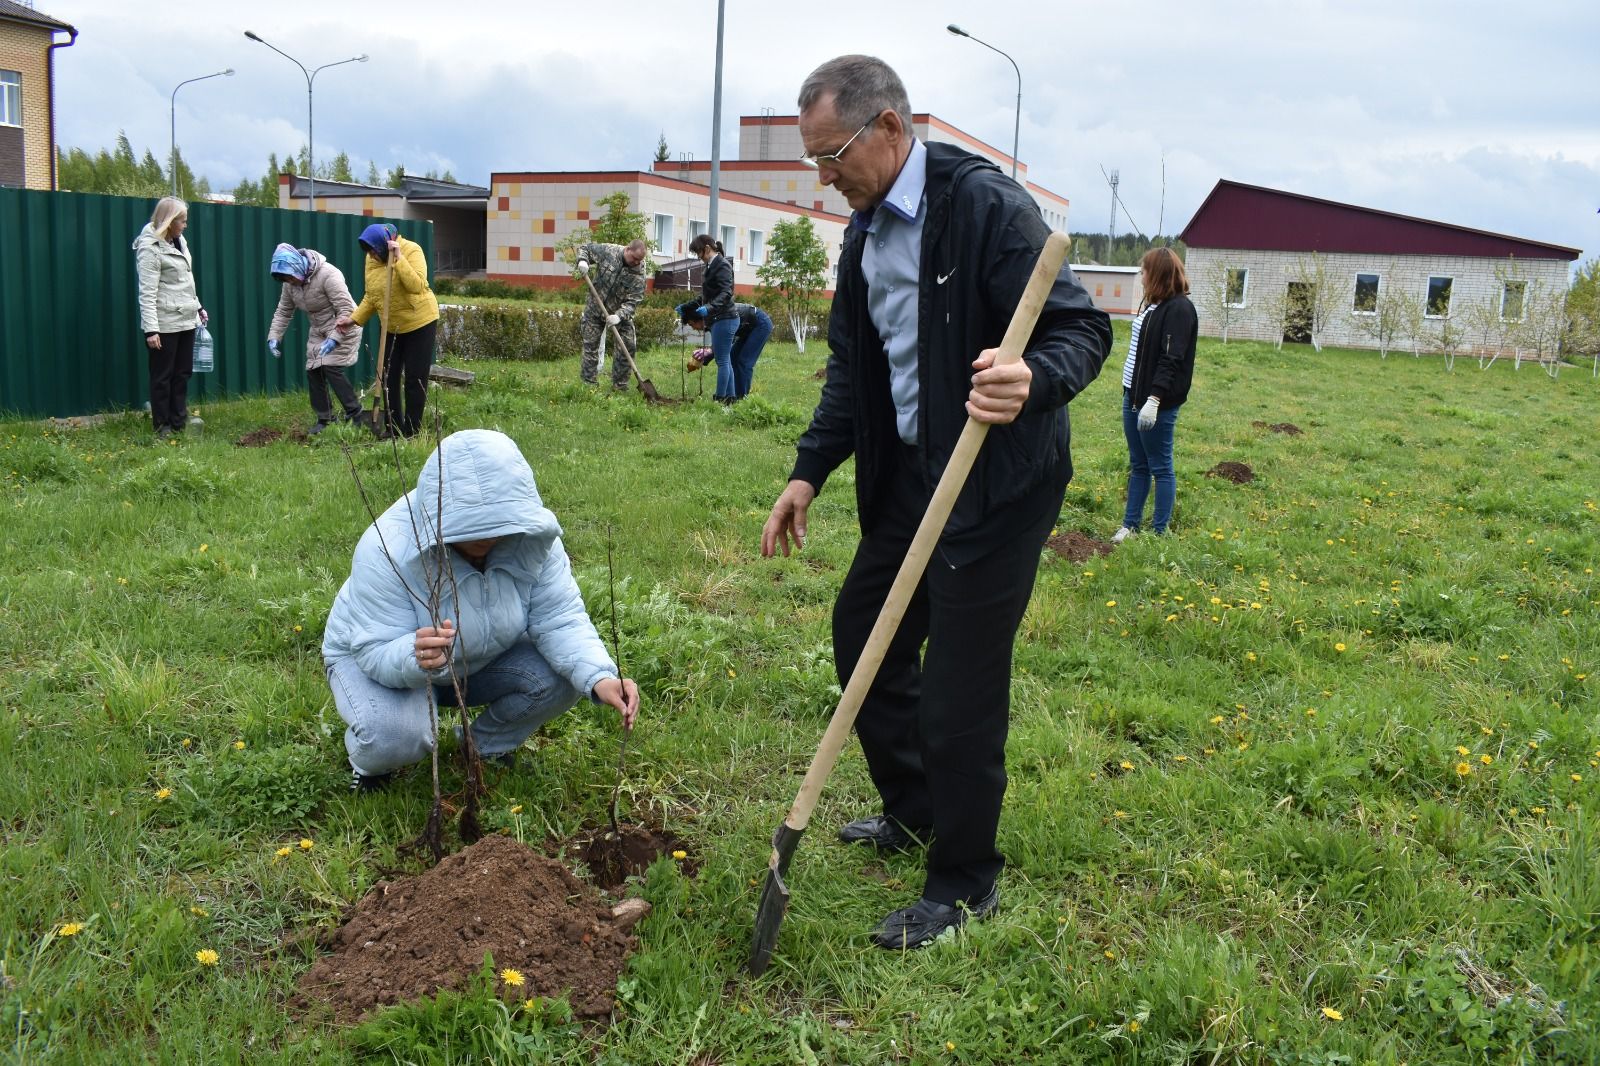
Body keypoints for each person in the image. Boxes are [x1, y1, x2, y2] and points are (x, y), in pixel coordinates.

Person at [759, 55, 1111, 951]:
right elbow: (852, 369)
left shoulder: (984, 207)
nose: (825, 178)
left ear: (889, 128)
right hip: (914, 476)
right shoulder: (863, 231)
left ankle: (963, 880)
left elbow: (1082, 326)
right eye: (813, 161)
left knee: (959, 684)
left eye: (832, 155)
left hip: (996, 482)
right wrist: (809, 471)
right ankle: (914, 810)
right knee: (861, 634)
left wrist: (1030, 378)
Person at [322, 429, 641, 792]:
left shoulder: (532, 540)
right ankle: (372, 767)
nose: (486, 537)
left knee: (566, 675)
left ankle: (480, 747)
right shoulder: (386, 549)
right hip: (383, 660)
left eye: (497, 524)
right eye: (471, 527)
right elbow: (373, 649)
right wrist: (414, 655)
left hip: (475, 659)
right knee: (394, 735)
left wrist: (601, 678)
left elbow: (559, 617)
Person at [1113, 247, 1198, 542]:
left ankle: (1159, 532)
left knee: (1160, 466)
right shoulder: (1156, 305)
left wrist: (1154, 399)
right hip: (1133, 395)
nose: (1142, 275)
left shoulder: (1179, 309)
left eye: (1145, 270)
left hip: (1155, 403)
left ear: (1158, 273)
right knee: (1139, 464)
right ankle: (1130, 525)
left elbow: (1170, 359)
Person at [334, 223, 439, 438]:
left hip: (420, 321)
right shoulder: (371, 261)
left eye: (373, 250)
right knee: (388, 379)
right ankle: (394, 428)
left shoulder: (411, 250)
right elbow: (371, 296)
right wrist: (353, 319)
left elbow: (417, 285)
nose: (371, 255)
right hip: (391, 324)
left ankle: (411, 431)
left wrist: (399, 260)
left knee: (414, 379)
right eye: (368, 251)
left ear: (384, 245)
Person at [266, 243, 366, 435]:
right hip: (319, 331)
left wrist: (335, 338)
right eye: (285, 279)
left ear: (296, 266)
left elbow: (347, 310)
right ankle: (325, 419)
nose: (289, 282)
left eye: (289, 277)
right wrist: (274, 337)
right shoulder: (290, 284)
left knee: (331, 367)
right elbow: (283, 311)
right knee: (314, 371)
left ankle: (356, 414)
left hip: (346, 325)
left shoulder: (328, 275)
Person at [133, 196, 206, 440]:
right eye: (182, 221)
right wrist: (151, 330)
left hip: (186, 318)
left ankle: (178, 420)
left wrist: (198, 307)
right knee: (162, 376)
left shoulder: (179, 241)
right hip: (164, 323)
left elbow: (185, 280)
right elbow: (147, 292)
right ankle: (161, 426)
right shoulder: (150, 248)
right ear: (169, 221)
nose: (185, 225)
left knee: (183, 372)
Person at [575, 240, 648, 390]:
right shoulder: (609, 251)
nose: (636, 262)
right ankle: (588, 385)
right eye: (634, 258)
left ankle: (620, 386)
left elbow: (634, 300)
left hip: (619, 313)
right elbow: (585, 248)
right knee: (591, 347)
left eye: (639, 260)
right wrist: (583, 261)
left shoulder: (639, 271)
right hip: (595, 308)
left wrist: (619, 316)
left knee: (628, 346)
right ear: (627, 249)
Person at [677, 300, 773, 399]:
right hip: (747, 329)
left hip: (760, 324)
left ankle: (741, 398)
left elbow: (722, 342)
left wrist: (708, 352)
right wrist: (704, 357)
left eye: (692, 324)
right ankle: (734, 395)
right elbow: (719, 344)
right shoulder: (710, 320)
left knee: (744, 362)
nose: (693, 328)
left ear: (699, 319)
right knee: (732, 357)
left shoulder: (717, 317)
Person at [688, 234, 739, 404]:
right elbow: (707, 294)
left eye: (699, 253)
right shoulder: (711, 266)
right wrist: (689, 306)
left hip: (726, 317)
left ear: (707, 248)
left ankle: (720, 399)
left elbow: (726, 293)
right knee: (726, 360)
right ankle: (730, 399)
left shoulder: (722, 265)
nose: (699, 257)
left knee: (722, 360)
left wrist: (709, 307)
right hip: (720, 318)